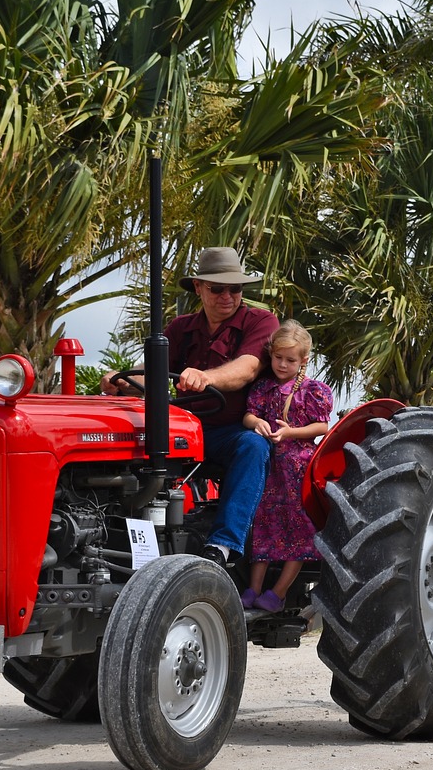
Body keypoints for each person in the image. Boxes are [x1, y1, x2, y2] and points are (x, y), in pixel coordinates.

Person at [101, 247, 279, 566]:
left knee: (253, 447)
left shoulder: (261, 322)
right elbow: (150, 376)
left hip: (232, 430)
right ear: (198, 287)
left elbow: (247, 369)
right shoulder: (180, 328)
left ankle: (222, 546)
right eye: (217, 288)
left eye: (235, 288)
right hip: (183, 431)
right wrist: (122, 380)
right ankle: (119, 536)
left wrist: (205, 376)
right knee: (126, 442)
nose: (228, 296)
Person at [239, 321, 332, 612]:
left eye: (290, 360)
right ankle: (253, 588)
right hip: (270, 469)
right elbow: (248, 416)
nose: (282, 364)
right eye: (278, 357)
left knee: (300, 531)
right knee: (264, 527)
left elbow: (322, 426)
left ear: (304, 360)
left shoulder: (313, 391)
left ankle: (278, 593)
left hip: (299, 469)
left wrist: (290, 432)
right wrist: (258, 423)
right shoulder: (264, 388)